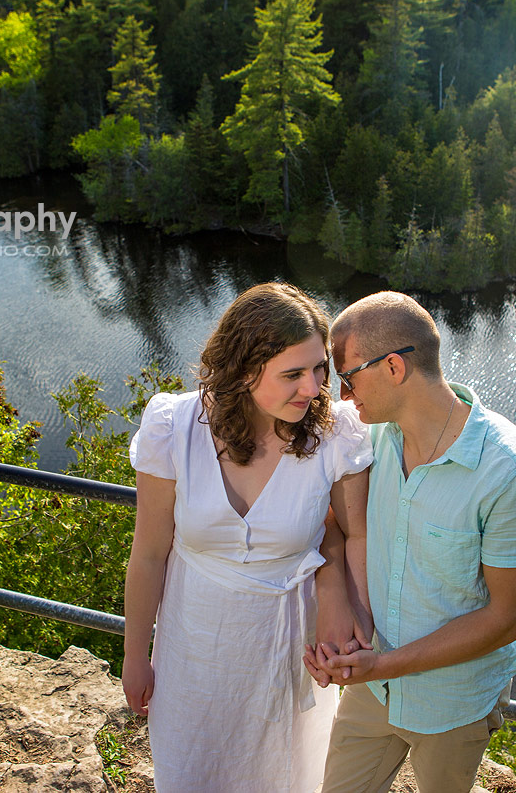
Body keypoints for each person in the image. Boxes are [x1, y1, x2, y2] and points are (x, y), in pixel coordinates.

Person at [124, 282, 372, 793]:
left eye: (319, 368)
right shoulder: (174, 427)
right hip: (194, 644)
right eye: (293, 374)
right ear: (243, 370)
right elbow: (148, 554)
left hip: (287, 648)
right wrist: (134, 656)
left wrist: (356, 623)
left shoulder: (335, 434)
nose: (314, 388)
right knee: (194, 770)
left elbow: (355, 538)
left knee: (284, 773)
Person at [307, 290, 516, 793]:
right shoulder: (368, 438)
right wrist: (342, 613)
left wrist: (381, 664)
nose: (343, 398)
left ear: (393, 367)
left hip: (452, 703)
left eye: (348, 378)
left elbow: (508, 618)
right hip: (371, 688)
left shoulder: (509, 470)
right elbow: (330, 523)